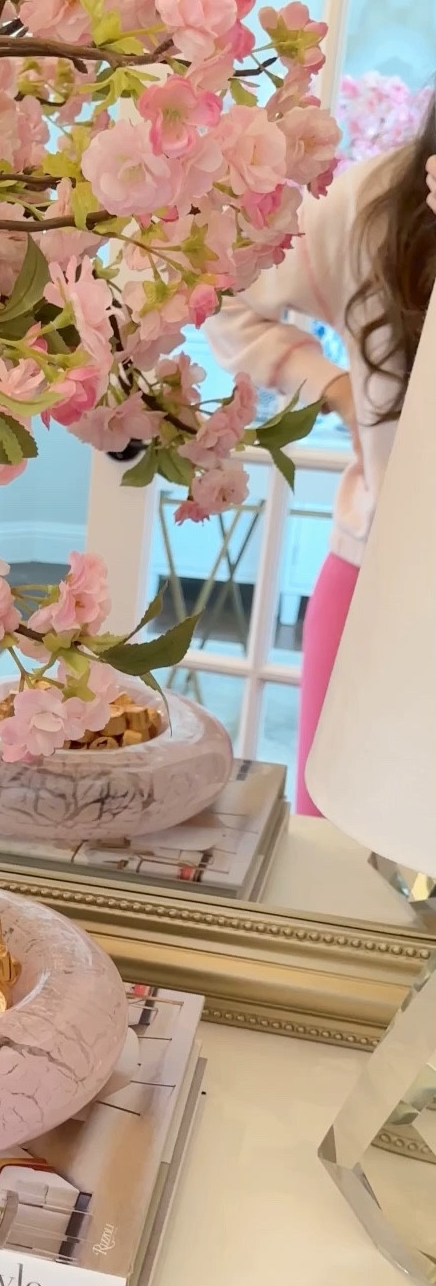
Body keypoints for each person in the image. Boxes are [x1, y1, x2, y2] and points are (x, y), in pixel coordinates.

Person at [204, 103, 436, 814]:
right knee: (334, 853)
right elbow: (222, 289)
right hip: (375, 575)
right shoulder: (375, 205)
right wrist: (332, 388)